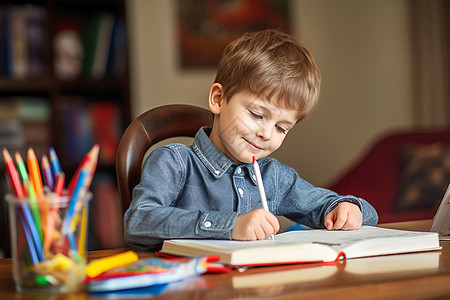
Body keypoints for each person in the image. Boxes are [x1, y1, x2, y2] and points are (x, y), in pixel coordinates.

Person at [124, 28, 378, 250]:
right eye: (257, 115)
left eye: (281, 128)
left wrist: (346, 208)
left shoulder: (273, 177)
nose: (266, 133)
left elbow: (339, 208)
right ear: (218, 99)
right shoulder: (174, 163)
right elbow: (138, 223)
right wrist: (230, 226)